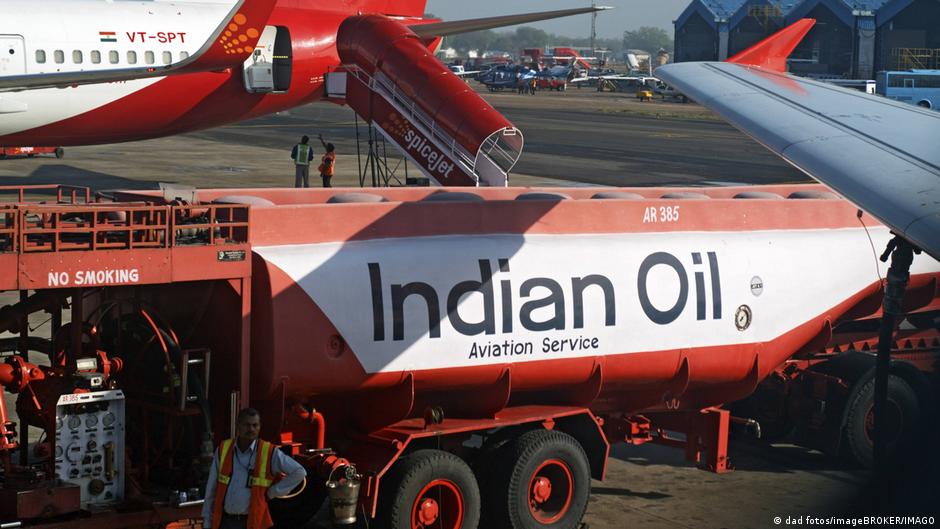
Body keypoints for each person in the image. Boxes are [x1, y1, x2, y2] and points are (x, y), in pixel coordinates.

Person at [202, 408, 306, 529]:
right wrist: (207, 522)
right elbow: (211, 489)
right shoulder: (223, 449)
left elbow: (299, 472)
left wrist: (272, 492)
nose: (251, 429)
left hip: (251, 522)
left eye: (255, 425)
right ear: (238, 426)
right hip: (224, 521)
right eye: (246, 425)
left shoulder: (269, 452)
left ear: (259, 427)